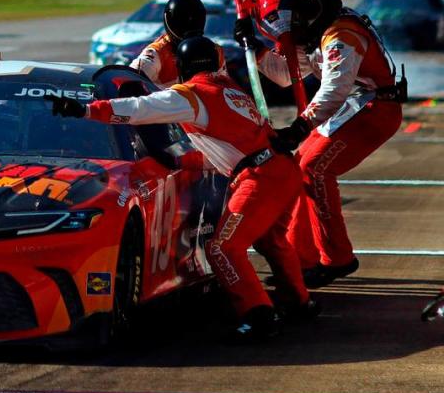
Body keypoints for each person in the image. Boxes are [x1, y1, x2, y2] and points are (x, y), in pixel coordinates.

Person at [53, 36, 319, 342]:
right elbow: (228, 147)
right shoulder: (230, 90)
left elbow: (139, 109)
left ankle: (259, 315)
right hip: (279, 168)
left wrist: (86, 110)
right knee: (271, 239)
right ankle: (300, 303)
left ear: (184, 65)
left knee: (223, 248)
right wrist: (185, 160)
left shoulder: (192, 95)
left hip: (261, 176)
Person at [235, 0, 406, 288]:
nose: (294, 20)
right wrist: (254, 48)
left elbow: (334, 89)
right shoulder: (315, 33)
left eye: (299, 13)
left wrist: (300, 126)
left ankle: (337, 259)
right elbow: (287, 76)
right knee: (301, 166)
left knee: (315, 168)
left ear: (316, 9)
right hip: (355, 105)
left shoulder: (341, 35)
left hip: (374, 108)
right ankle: (302, 257)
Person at [131, 0, 216, 87]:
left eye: (194, 19)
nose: (189, 25)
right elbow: (129, 80)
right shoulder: (157, 53)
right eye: (183, 21)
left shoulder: (214, 51)